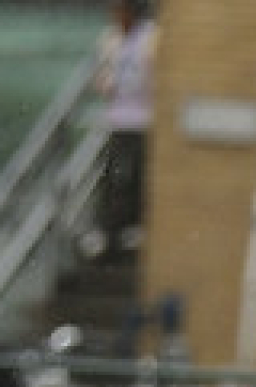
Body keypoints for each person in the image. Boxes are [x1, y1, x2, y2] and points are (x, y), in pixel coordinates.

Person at [91, 0, 158, 250]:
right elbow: (102, 75)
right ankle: (107, 228)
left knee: (137, 174)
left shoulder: (150, 38)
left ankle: (134, 225)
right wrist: (105, 82)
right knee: (111, 175)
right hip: (118, 118)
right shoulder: (110, 39)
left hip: (144, 120)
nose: (117, 17)